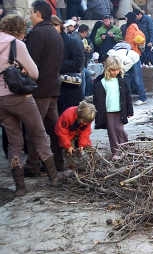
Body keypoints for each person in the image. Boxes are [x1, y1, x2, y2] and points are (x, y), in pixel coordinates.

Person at [0, 14, 65, 196]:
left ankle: (20, 187)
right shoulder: (16, 44)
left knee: (14, 142)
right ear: (19, 28)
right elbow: (35, 73)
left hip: (0, 101)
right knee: (39, 133)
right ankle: (53, 176)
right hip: (19, 97)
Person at [26, 0, 65, 173]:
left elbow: (31, 64)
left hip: (40, 89)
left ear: (39, 14)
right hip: (52, 88)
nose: (30, 16)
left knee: (35, 129)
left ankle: (33, 164)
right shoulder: (55, 33)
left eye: (31, 13)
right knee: (53, 128)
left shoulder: (38, 33)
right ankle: (58, 161)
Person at [93, 56, 133, 160]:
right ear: (107, 69)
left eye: (117, 70)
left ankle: (124, 148)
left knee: (120, 130)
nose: (115, 72)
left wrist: (130, 110)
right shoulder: (101, 82)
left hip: (120, 110)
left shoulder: (121, 81)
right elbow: (97, 99)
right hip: (108, 112)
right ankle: (115, 152)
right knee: (112, 131)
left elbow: (127, 96)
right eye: (112, 70)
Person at [52, 16, 85, 115]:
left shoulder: (72, 41)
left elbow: (78, 63)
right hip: (55, 86)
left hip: (69, 85)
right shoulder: (50, 41)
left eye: (55, 25)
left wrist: (57, 65)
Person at [124, 11, 148, 105]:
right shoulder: (132, 26)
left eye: (126, 18)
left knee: (137, 77)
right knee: (129, 77)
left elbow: (138, 39)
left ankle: (142, 97)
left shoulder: (132, 27)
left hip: (133, 56)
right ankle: (128, 97)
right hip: (132, 55)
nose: (125, 19)